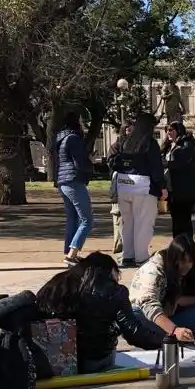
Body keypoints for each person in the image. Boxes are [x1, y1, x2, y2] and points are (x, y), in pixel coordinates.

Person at [35, 252, 164, 373]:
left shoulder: (57, 283)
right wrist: (165, 341)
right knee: (134, 314)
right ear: (113, 271)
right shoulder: (115, 291)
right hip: (93, 360)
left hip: (52, 359)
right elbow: (133, 332)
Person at [128, 233, 195, 343]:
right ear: (174, 259)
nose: (186, 265)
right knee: (134, 317)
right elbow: (148, 305)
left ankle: (168, 335)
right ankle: (175, 335)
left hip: (171, 316)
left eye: (190, 262)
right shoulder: (153, 270)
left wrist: (182, 300)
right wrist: (174, 330)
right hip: (147, 316)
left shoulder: (192, 271)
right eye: (183, 261)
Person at [109, 113, 166, 267]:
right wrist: (162, 186)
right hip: (143, 186)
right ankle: (141, 256)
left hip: (123, 185)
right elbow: (156, 168)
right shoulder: (149, 143)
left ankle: (128, 255)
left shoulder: (126, 142)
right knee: (143, 223)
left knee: (128, 223)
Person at [53, 112, 95, 267]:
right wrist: (90, 164)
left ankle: (68, 252)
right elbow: (79, 162)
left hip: (63, 181)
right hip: (73, 180)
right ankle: (72, 254)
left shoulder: (61, 138)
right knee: (87, 220)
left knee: (72, 218)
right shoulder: (74, 139)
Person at [162, 121, 195, 238]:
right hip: (172, 189)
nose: (169, 133)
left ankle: (186, 248)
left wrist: (167, 163)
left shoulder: (186, 144)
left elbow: (181, 163)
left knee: (183, 221)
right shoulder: (169, 146)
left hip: (184, 190)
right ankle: (178, 246)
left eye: (171, 130)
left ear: (178, 131)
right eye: (167, 130)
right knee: (176, 221)